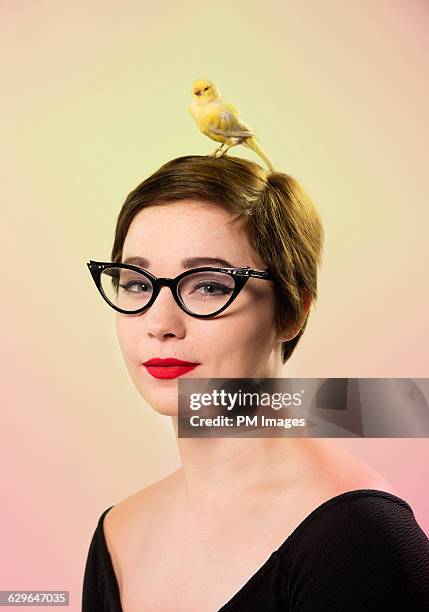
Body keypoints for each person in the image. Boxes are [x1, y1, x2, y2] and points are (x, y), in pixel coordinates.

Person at [82, 155, 429, 611]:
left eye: (208, 286)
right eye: (136, 283)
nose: (160, 323)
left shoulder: (361, 535)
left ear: (292, 311)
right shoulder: (115, 534)